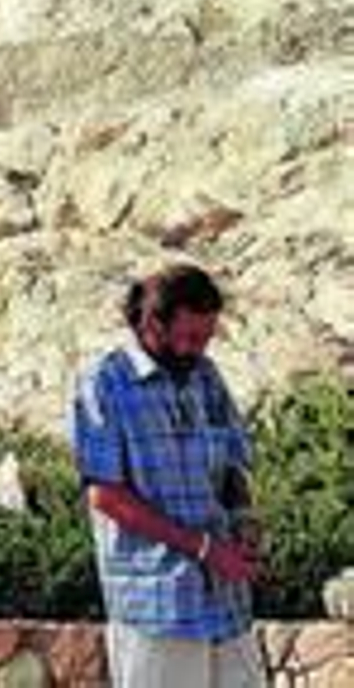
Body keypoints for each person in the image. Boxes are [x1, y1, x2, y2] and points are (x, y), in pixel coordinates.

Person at [69, 264, 263, 687]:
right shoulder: (104, 382)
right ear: (154, 324)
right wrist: (204, 549)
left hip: (226, 604)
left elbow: (233, 464)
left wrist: (244, 522)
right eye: (190, 337)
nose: (198, 349)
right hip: (156, 606)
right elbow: (105, 496)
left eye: (206, 338)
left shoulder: (206, 377)